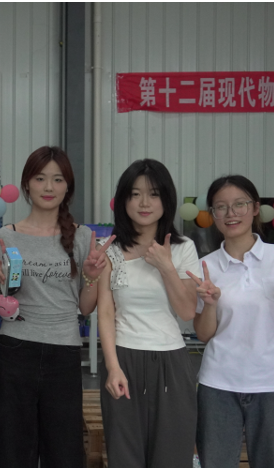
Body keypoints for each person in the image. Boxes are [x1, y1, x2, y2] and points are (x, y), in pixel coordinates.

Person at [0, 146, 115, 468]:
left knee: (64, 451)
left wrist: (91, 276)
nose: (48, 187)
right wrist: (1, 285)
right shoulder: (7, 236)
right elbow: (4, 303)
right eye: (40, 178)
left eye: (58, 179)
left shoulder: (83, 236)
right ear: (27, 184)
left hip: (63, 350)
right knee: (15, 450)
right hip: (16, 348)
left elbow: (85, 307)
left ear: (67, 187)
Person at [187, 175, 274, 468]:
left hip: (273, 384)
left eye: (240, 204)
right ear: (213, 214)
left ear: (256, 208)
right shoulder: (206, 266)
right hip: (218, 384)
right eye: (221, 207)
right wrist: (210, 304)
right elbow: (204, 334)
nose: (231, 213)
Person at [97, 159, 199, 468]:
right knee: (124, 455)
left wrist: (166, 266)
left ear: (166, 199)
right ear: (123, 200)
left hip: (172, 361)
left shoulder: (183, 248)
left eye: (154, 194)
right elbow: (105, 312)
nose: (144, 203)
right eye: (135, 194)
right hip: (123, 358)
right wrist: (112, 367)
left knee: (172, 455)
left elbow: (187, 311)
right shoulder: (109, 248)